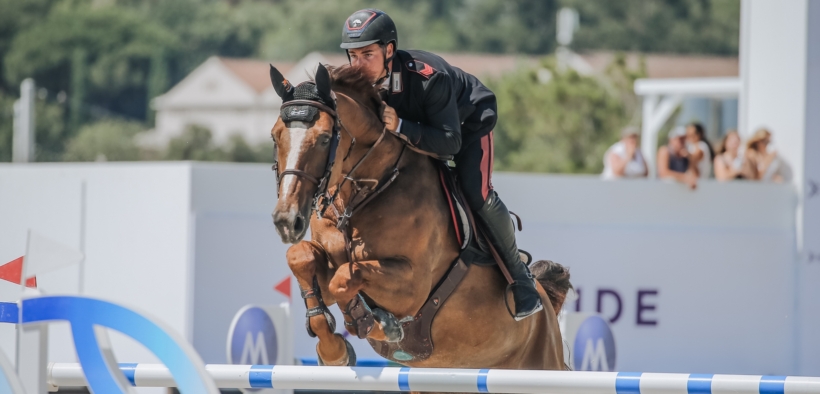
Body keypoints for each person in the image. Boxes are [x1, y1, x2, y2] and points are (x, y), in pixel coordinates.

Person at [339, 9, 542, 320]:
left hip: (467, 124)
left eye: (368, 54)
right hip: (417, 131)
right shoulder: (357, 81)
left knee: (476, 192)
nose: (359, 64)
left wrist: (403, 126)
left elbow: (449, 143)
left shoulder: (427, 78)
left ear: (389, 50)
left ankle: (521, 279)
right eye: (353, 55)